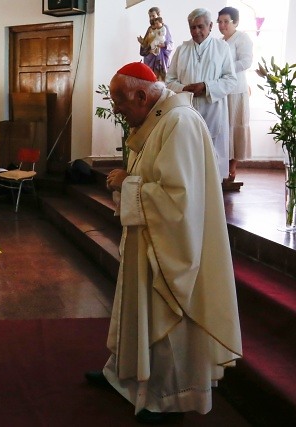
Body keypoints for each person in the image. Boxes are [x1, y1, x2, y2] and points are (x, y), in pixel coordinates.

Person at [85, 62, 242, 424]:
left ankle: (169, 399)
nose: (118, 109)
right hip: (149, 238)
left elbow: (179, 201)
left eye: (120, 101)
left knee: (166, 317)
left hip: (170, 247)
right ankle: (123, 378)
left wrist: (127, 184)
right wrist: (130, 183)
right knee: (138, 310)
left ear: (141, 95)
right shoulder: (156, 119)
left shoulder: (179, 123)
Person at [166, 8, 237, 181]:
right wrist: (184, 88)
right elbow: (169, 81)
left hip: (212, 111)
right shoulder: (182, 50)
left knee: (211, 160)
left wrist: (206, 87)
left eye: (200, 27)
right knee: (187, 158)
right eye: (192, 27)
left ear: (210, 26)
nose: (196, 31)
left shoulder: (222, 48)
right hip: (186, 110)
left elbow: (230, 80)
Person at [218, 6, 253, 182]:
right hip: (222, 90)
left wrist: (227, 69)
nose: (222, 25)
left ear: (235, 22)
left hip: (237, 89)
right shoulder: (219, 41)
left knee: (235, 126)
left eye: (226, 21)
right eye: (220, 22)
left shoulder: (242, 38)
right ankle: (222, 165)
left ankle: (232, 166)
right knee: (224, 127)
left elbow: (246, 61)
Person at [138, 7, 173, 81]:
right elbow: (146, 44)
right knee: (150, 80)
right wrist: (142, 43)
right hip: (150, 59)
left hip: (161, 58)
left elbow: (170, 43)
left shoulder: (164, 28)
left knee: (160, 81)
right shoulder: (149, 29)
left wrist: (164, 45)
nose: (151, 18)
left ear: (158, 15)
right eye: (150, 16)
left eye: (153, 16)